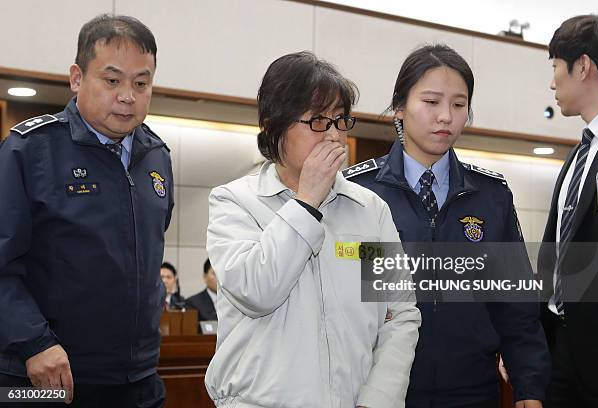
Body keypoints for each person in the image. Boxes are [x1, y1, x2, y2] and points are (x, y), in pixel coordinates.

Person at [205, 51, 421, 408]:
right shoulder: (234, 202)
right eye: (318, 121)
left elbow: (399, 313)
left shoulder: (369, 210)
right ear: (275, 126)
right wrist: (306, 202)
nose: (334, 134)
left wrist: (379, 398)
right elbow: (257, 292)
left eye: (339, 120)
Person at [344, 44, 550, 408]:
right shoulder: (357, 191)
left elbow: (516, 305)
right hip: (378, 390)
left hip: (472, 390)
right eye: (431, 102)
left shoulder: (491, 196)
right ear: (399, 107)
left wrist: (529, 387)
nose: (446, 117)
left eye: (458, 105)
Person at [0, 14, 173, 407]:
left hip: (138, 378)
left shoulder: (157, 158)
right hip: (43, 376)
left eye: (141, 83)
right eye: (112, 81)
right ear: (77, 78)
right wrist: (34, 343)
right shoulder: (29, 151)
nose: (127, 95)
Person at [538, 13, 598, 407]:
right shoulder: (579, 154)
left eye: (555, 67)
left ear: (582, 65)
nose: (552, 82)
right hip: (558, 348)